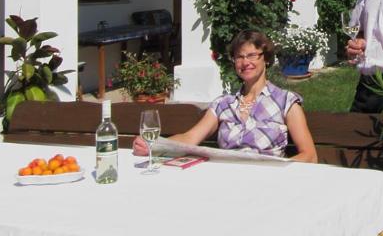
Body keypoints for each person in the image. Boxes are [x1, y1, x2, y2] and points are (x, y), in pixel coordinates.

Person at [132, 29, 317, 162]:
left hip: (268, 180)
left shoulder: (286, 101)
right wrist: (153, 144)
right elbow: (190, 138)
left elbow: (309, 155)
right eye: (239, 56)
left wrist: (280, 174)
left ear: (266, 59)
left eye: (252, 55)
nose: (245, 62)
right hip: (226, 178)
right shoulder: (223, 104)